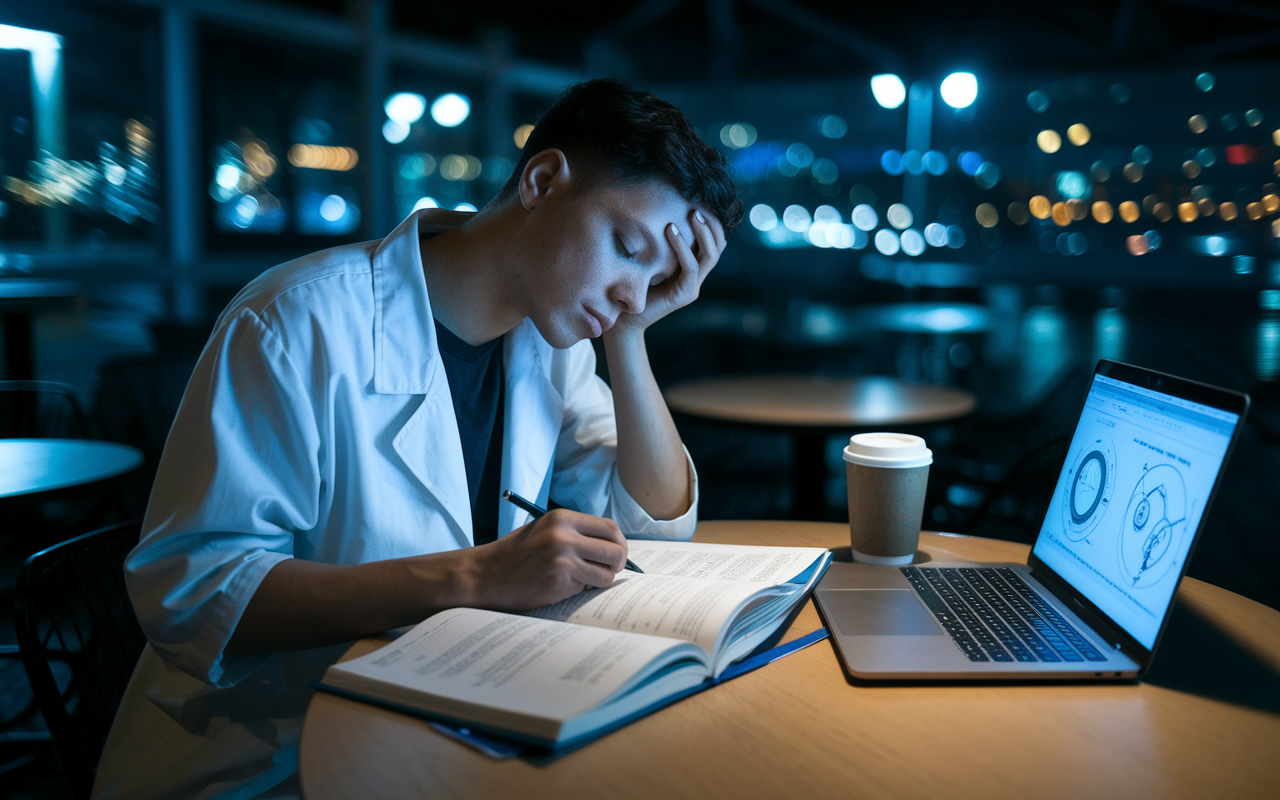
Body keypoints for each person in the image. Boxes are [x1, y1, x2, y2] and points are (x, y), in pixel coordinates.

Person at [92, 79, 742, 799]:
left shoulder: (550, 340)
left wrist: (631, 331)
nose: (632, 289)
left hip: (445, 733)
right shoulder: (296, 321)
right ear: (543, 180)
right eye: (627, 247)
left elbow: (652, 519)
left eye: (657, 279)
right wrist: (475, 577)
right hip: (267, 756)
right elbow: (194, 592)